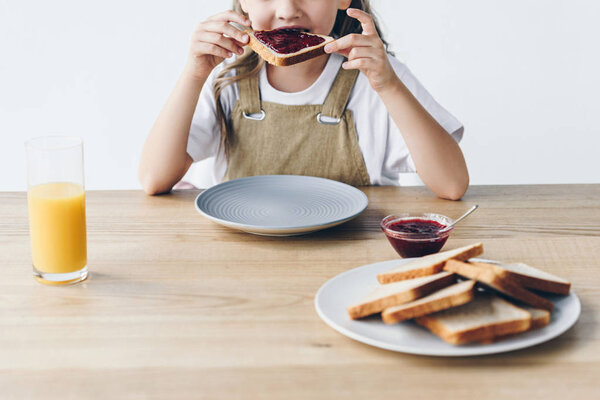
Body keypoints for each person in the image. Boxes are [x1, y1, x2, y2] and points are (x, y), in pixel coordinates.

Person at [139, 0, 469, 200]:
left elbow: (452, 185)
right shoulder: (225, 77)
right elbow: (154, 179)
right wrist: (193, 75)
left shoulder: (377, 76)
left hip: (352, 251)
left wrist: (390, 86)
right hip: (241, 258)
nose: (287, 10)